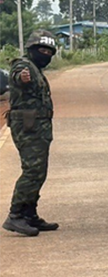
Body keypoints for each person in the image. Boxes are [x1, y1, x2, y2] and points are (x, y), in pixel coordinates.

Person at [3, 30, 60, 237]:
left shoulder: (36, 68)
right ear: (32, 50)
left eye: (48, 51)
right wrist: (22, 78)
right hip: (28, 126)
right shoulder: (24, 66)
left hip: (38, 127)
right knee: (32, 171)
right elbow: (18, 76)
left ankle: (29, 213)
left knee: (39, 171)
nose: (45, 54)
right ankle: (15, 215)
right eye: (42, 50)